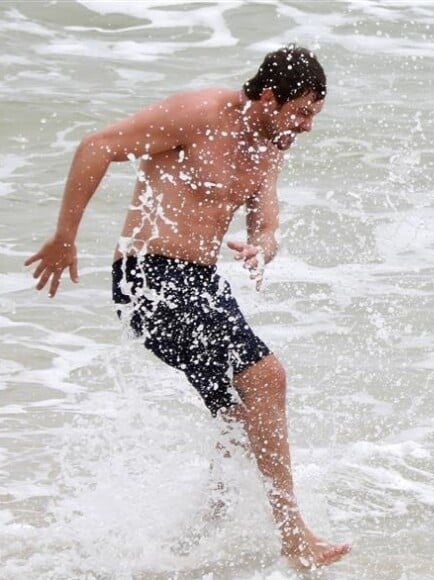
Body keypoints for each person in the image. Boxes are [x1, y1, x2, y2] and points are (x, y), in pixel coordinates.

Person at [25, 45, 351, 569]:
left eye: (312, 115)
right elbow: (97, 146)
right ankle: (295, 537)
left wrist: (262, 246)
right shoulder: (199, 113)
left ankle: (199, 538)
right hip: (148, 277)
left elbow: (265, 223)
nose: (307, 126)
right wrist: (66, 236)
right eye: (302, 112)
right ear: (269, 96)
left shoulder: (269, 148)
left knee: (239, 415)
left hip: (199, 282)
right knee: (267, 378)